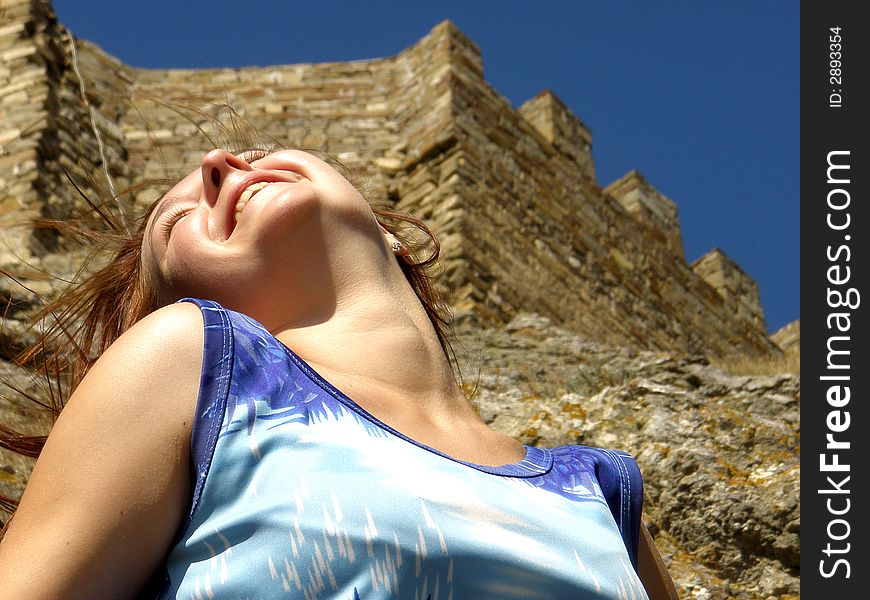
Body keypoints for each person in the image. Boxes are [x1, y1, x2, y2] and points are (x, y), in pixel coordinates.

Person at [0, 147, 677, 598]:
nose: (220, 164)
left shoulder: (603, 493)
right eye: (178, 221)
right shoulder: (195, 362)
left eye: (259, 155)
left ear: (393, 236)